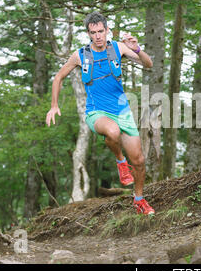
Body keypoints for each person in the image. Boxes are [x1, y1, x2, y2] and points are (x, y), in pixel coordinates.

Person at [45, 12, 155, 215]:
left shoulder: (118, 48)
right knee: (112, 132)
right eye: (93, 32)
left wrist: (137, 49)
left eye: (101, 31)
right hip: (97, 112)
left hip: (122, 111)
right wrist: (54, 105)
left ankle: (139, 199)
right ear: (88, 34)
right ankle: (121, 161)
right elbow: (58, 77)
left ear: (107, 30)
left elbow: (148, 65)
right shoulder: (81, 55)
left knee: (139, 161)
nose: (97, 36)